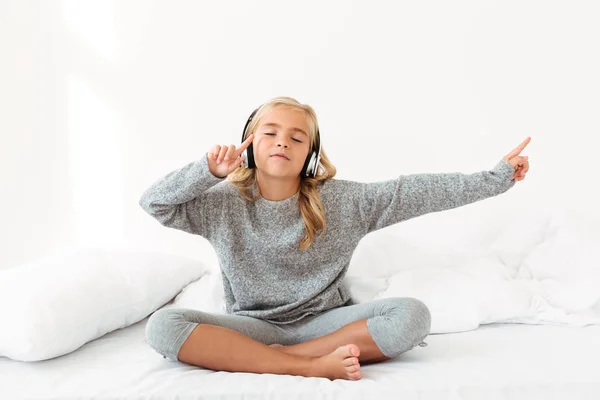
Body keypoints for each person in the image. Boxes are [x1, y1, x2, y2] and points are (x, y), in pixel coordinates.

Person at [139, 96, 531, 381]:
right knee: (162, 326)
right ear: (250, 144)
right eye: (270, 132)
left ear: (310, 153)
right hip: (253, 326)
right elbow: (154, 203)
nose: (281, 142)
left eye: (296, 138)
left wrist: (495, 179)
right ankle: (303, 365)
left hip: (325, 325)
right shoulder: (221, 203)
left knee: (411, 316)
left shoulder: (343, 201)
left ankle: (280, 358)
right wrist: (205, 170)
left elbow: (414, 191)